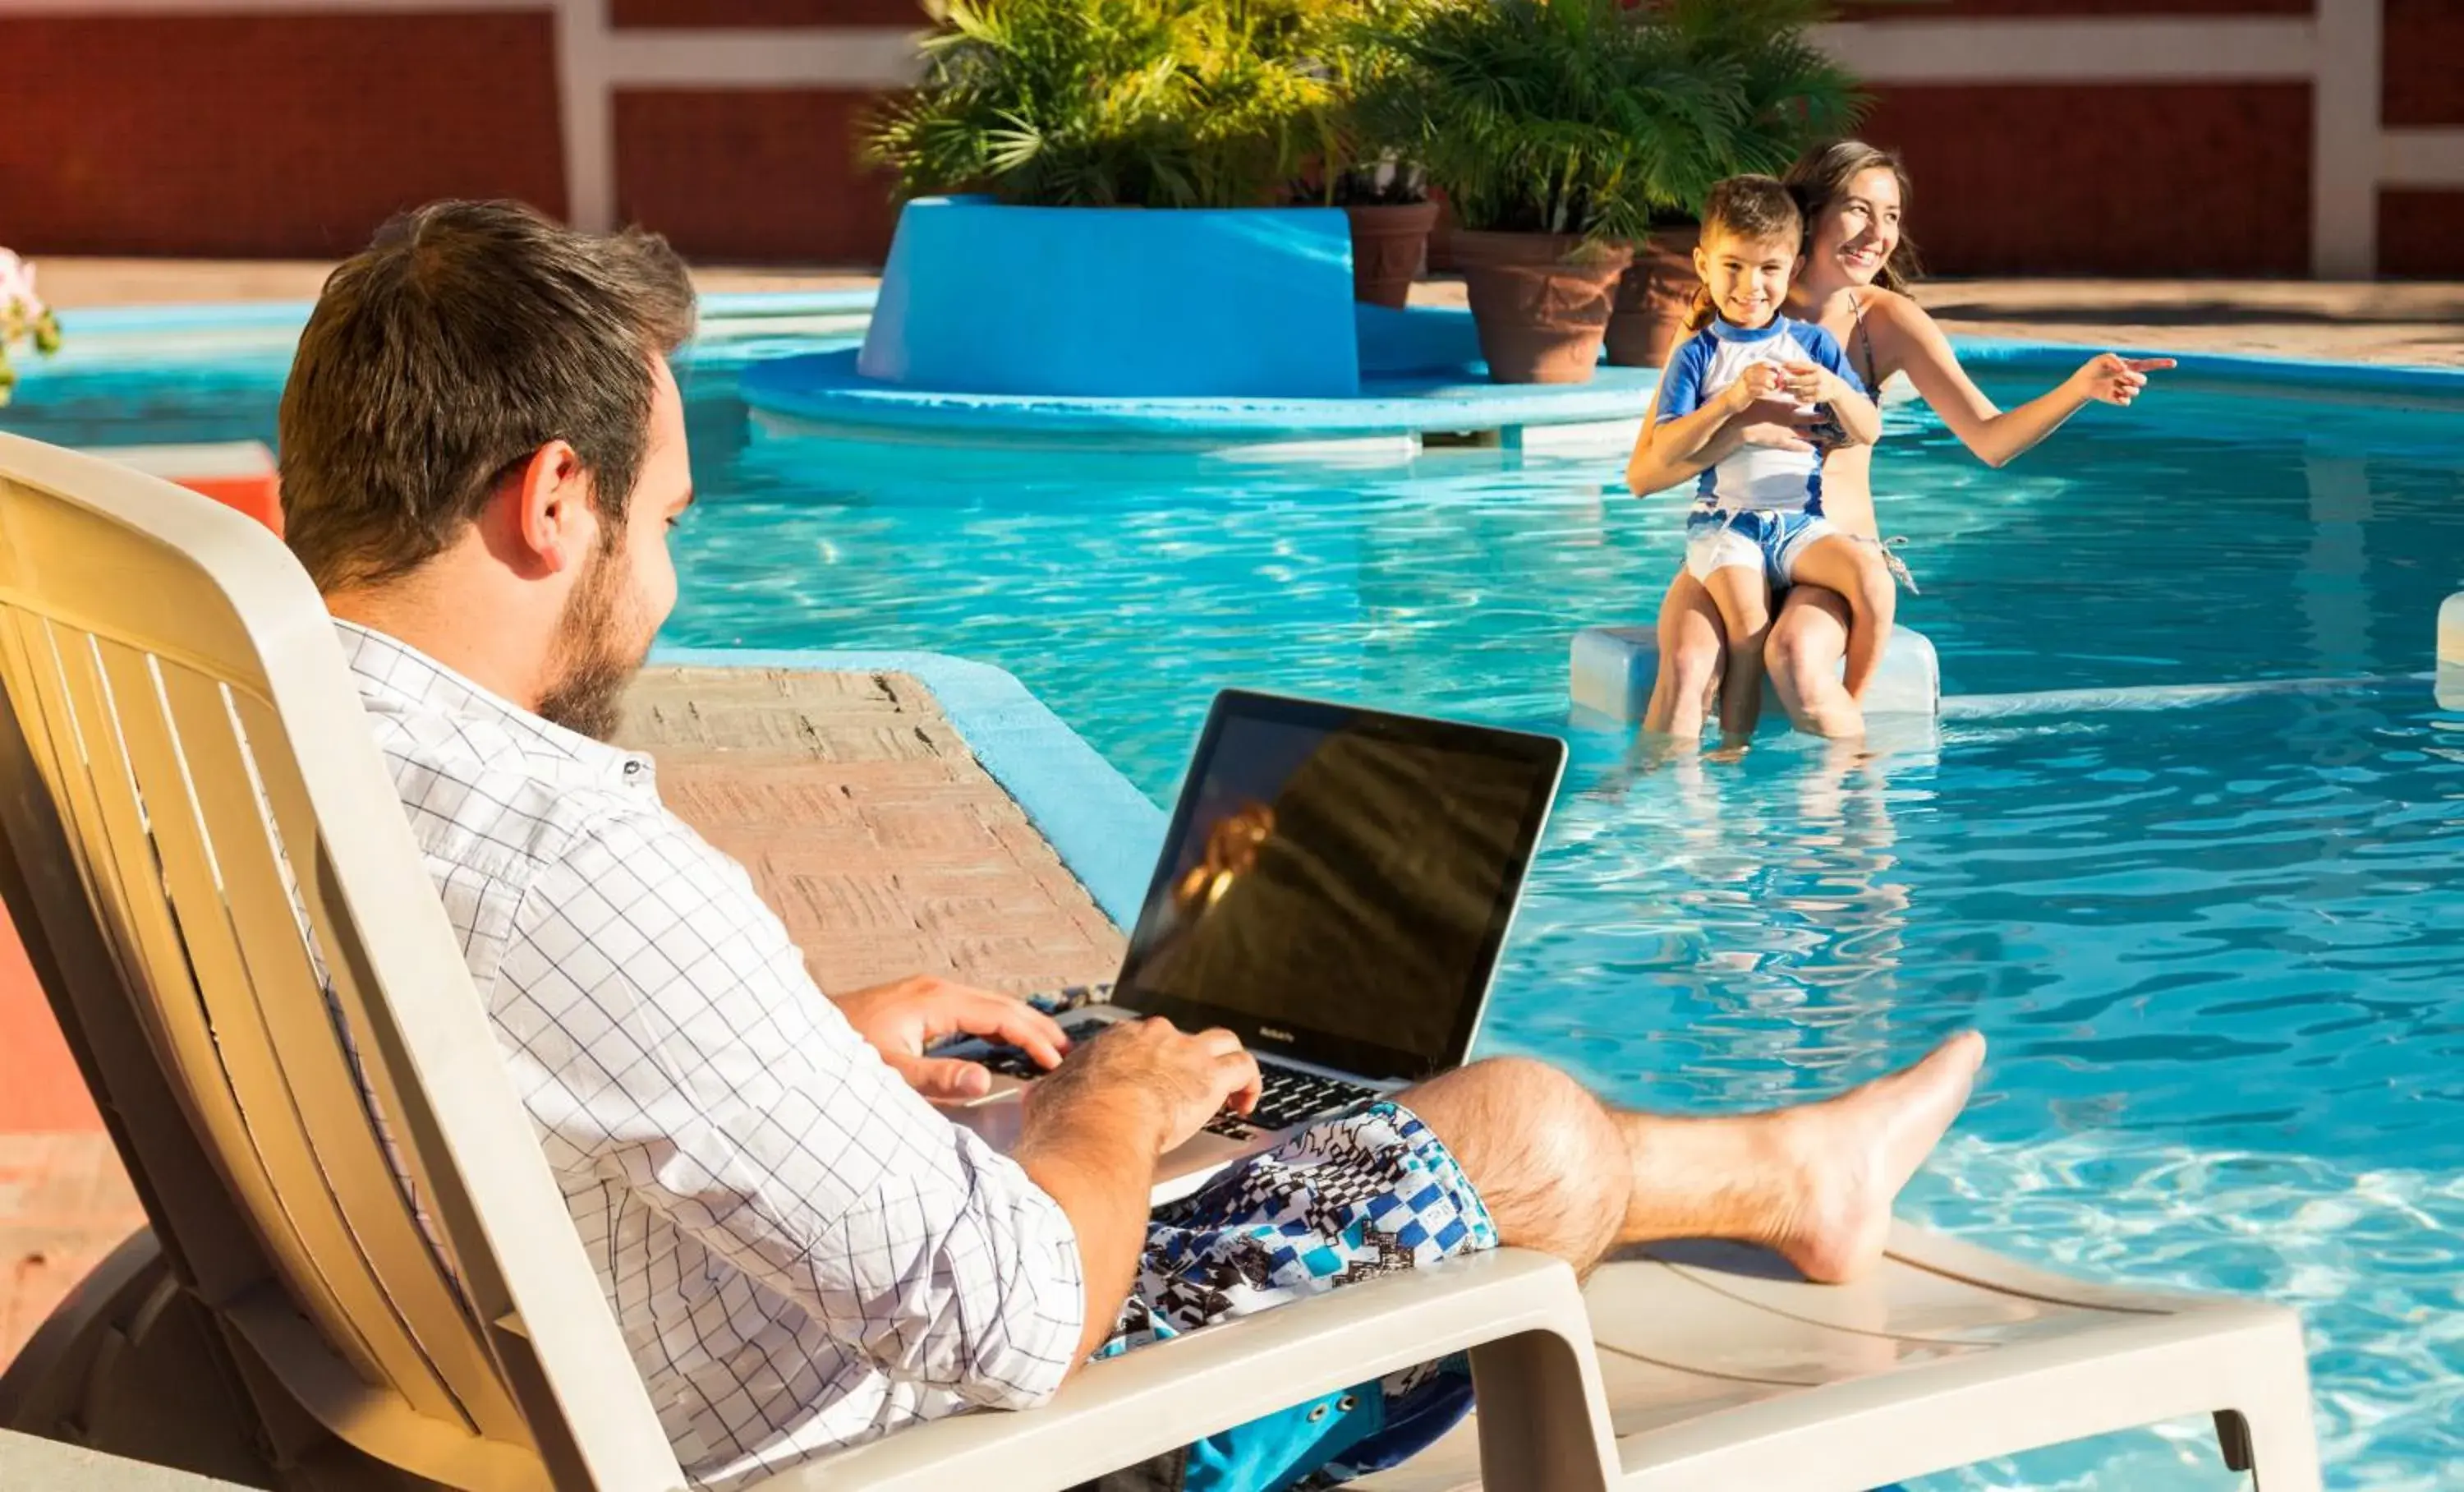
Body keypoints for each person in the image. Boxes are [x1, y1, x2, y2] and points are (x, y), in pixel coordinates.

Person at [280, 199, 1988, 1492]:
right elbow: (1014, 1315)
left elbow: (537, 1059)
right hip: (905, 1431)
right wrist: (1110, 1105)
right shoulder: (566, 848)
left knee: (1206, 1080)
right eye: (663, 523)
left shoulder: (281, 752)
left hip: (551, 1366)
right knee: (1516, 1125)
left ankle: (1783, 1177)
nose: (666, 580)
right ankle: (1800, 1181)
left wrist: (805, 1050)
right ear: (551, 498)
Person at [1640, 140, 2177, 740]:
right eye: (1859, 209)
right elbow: (1645, 475)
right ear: (1809, 212)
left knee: (1794, 658)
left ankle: (1851, 812)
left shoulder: (1887, 323)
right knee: (1685, 672)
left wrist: (2077, 389)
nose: (1878, 232)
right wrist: (1739, 421)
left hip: (1829, 558)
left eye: (1891, 215)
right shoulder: (1725, 313)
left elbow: (1990, 440)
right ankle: (1664, 825)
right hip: (1732, 540)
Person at [1625, 176, 1889, 742]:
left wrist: (1837, 389)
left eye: (1769, 268)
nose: (1751, 285)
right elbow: (1662, 454)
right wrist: (1735, 407)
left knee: (1872, 577)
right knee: (1746, 630)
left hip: (1798, 525)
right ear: (1703, 265)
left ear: (1792, 268)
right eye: (1733, 267)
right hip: (1728, 523)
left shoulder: (1813, 345)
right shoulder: (1698, 354)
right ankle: (1733, 751)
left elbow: (1870, 429)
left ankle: (1856, 710)